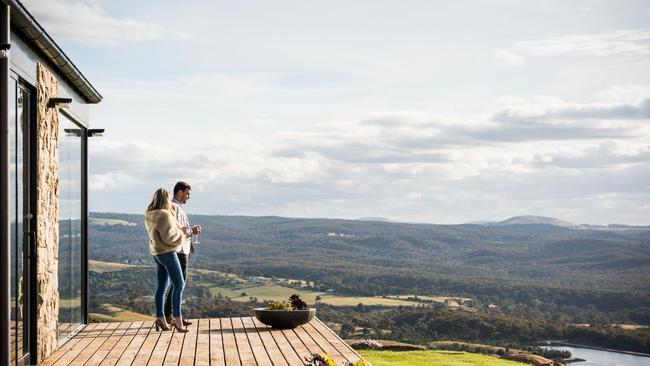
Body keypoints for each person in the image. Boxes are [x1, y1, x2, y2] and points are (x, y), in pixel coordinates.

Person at [144, 188, 190, 332]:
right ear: (166, 199)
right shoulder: (165, 215)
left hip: (157, 253)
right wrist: (184, 233)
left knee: (162, 288)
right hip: (168, 252)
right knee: (179, 285)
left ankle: (161, 318)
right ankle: (177, 320)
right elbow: (170, 237)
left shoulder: (150, 214)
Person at [164, 181, 202, 326]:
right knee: (178, 285)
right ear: (180, 192)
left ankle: (170, 316)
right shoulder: (174, 208)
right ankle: (172, 316)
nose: (188, 197)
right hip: (179, 250)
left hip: (181, 250)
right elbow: (178, 230)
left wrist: (191, 230)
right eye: (187, 193)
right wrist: (193, 231)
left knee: (176, 284)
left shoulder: (177, 208)